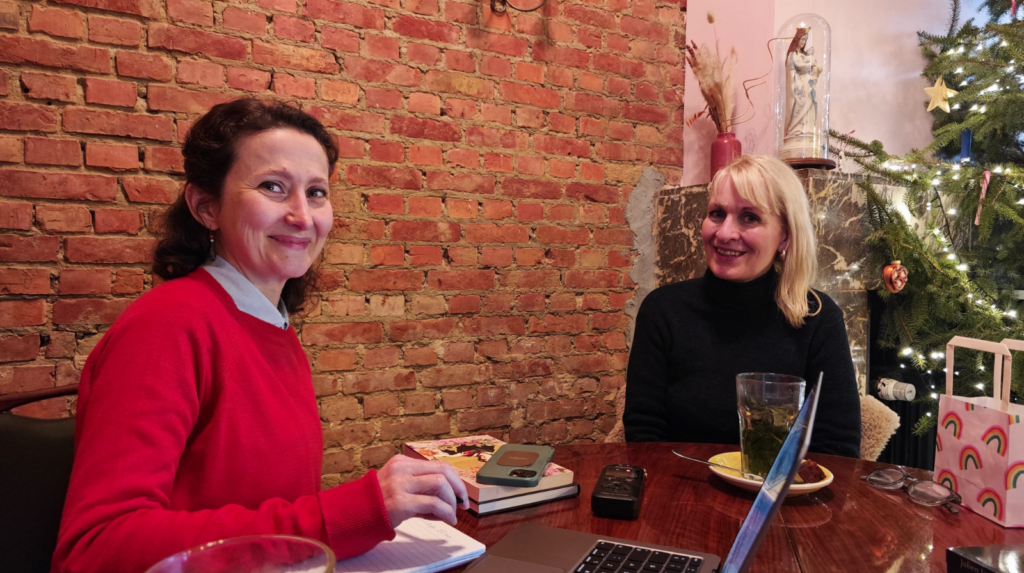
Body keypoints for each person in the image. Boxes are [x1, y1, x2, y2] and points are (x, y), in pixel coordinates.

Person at [52, 99, 469, 573]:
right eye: (273, 187)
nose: (302, 216)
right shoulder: (166, 326)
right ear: (206, 207)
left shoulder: (272, 323)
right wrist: (352, 512)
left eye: (316, 192)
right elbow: (97, 547)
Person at [623, 155, 861, 458]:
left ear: (785, 236)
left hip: (780, 489)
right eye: (717, 214)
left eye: (750, 217)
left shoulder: (818, 318)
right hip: (679, 482)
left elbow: (837, 449)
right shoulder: (663, 310)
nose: (724, 234)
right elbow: (644, 436)